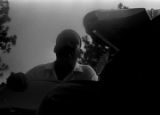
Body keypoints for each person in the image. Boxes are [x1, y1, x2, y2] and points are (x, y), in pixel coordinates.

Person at [26, 29, 98, 82]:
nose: (67, 44)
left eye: (73, 42)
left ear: (80, 52)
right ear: (55, 48)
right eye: (63, 40)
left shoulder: (87, 74)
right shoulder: (37, 73)